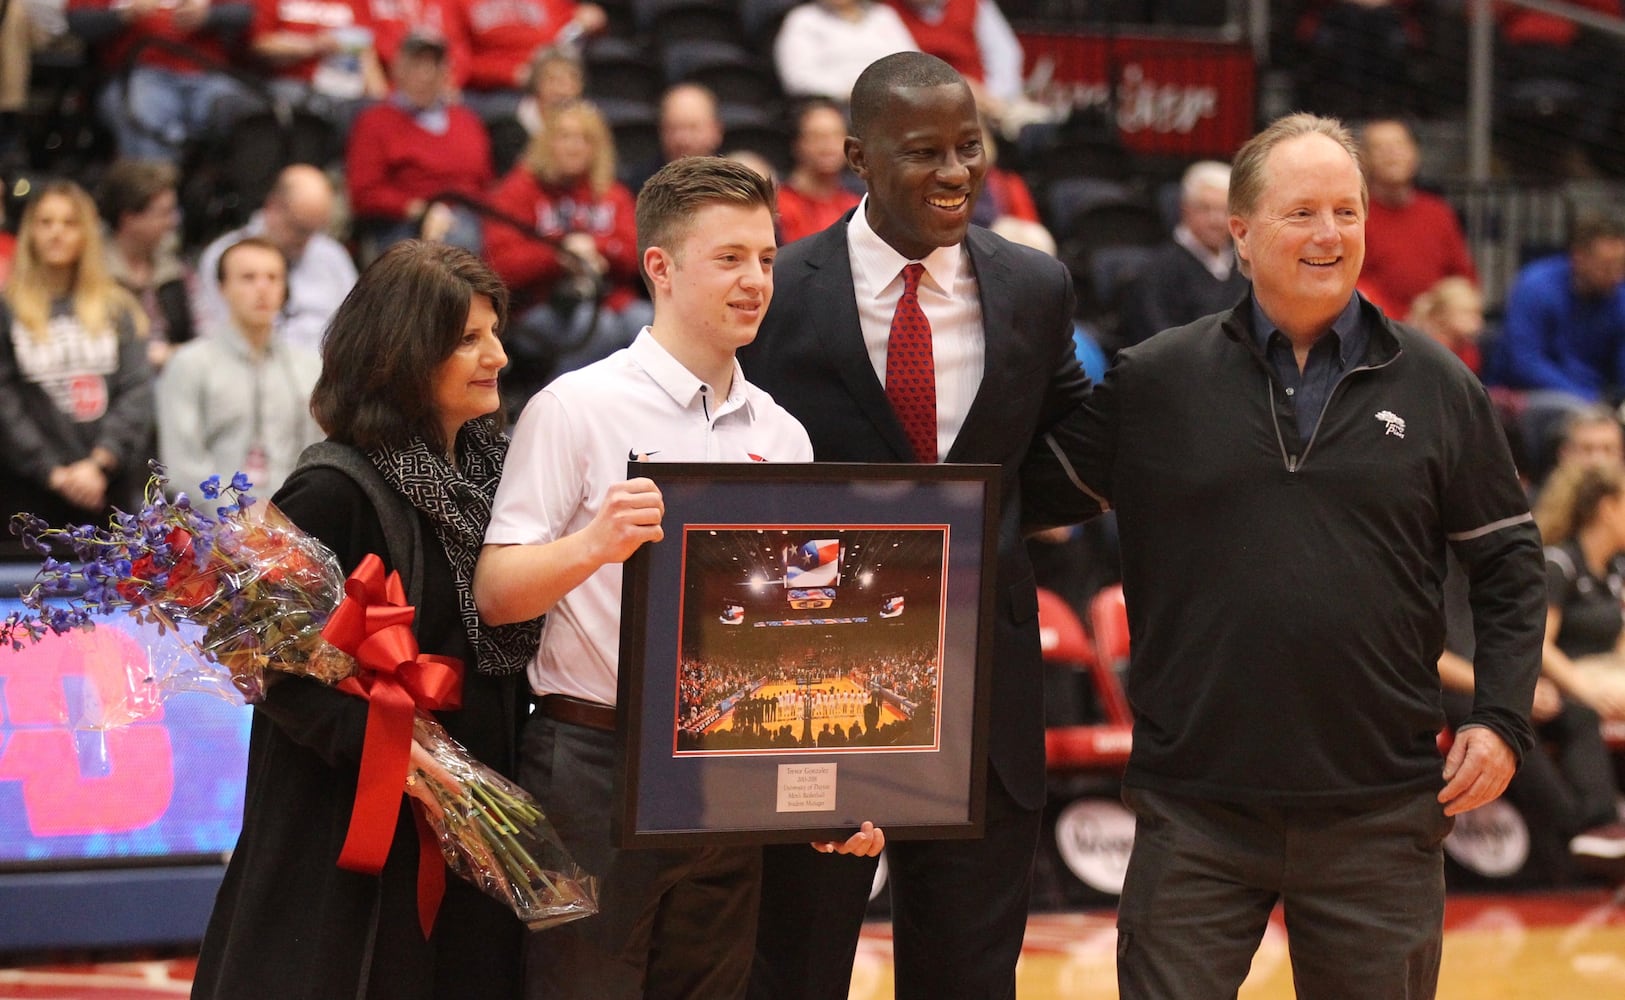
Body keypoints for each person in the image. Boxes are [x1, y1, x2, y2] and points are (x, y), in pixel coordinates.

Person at [1043, 112, 1545, 999]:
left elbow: (1507, 565)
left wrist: (1498, 716)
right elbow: (1024, 498)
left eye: (1346, 212)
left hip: (1380, 813)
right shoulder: (1157, 379)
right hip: (1194, 807)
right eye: (1301, 212)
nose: (1329, 235)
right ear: (1239, 231)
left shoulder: (1438, 386)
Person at [472, 156, 885, 1000]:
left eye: (766, 259)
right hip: (593, 756)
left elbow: (800, 630)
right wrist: (595, 544)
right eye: (729, 258)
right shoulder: (575, 406)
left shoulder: (783, 431)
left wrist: (837, 780)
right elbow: (496, 590)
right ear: (658, 266)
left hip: (724, 763)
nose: (756, 280)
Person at [738, 52, 1089, 1000]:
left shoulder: (1033, 287)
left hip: (985, 681)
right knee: (796, 963)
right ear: (856, 155)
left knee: (970, 972)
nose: (952, 172)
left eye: (968, 148)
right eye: (922, 151)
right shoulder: (778, 291)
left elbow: (1067, 450)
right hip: (816, 683)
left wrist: (990, 532)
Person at [192, 240, 545, 998]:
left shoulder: (497, 473)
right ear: (404, 355)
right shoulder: (329, 491)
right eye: (468, 340)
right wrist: (394, 753)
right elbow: (273, 668)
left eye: (494, 332)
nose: (498, 356)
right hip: (352, 821)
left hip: (477, 811)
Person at [0, 181, 154, 559]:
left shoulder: (119, 307)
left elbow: (137, 391)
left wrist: (99, 463)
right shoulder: (7, 309)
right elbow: (4, 399)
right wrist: (52, 471)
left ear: (87, 233)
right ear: (30, 232)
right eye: (46, 222)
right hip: (28, 491)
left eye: (69, 223)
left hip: (106, 486)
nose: (56, 232)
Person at [484, 99, 649, 411]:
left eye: (585, 139)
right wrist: (559, 256)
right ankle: (555, 412)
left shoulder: (611, 193)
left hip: (611, 300)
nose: (575, 147)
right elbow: (500, 264)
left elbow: (635, 254)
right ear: (548, 143)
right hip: (541, 305)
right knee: (598, 327)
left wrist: (597, 249)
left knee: (649, 323)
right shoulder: (519, 190)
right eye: (565, 137)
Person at [156, 237, 322, 499]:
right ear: (222, 287)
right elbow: (182, 467)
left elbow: (315, 456)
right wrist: (238, 518)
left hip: (292, 521)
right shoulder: (189, 364)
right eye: (248, 277)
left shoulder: (310, 368)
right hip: (212, 528)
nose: (262, 288)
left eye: (273, 277)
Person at [1487, 214, 1625, 478]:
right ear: (1579, 257)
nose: (1616, 275)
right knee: (1571, 411)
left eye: (1621, 265)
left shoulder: (1619, 297)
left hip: (1595, 396)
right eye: (1607, 265)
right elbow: (1523, 362)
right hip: (1524, 394)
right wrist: (1587, 398)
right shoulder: (1536, 285)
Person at [346, 31, 492, 254]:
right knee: (455, 241)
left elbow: (484, 183)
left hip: (471, 216)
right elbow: (364, 192)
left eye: (433, 64)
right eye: (416, 63)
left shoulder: (467, 120)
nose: (424, 74)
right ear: (398, 68)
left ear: (445, 71)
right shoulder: (375, 121)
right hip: (404, 224)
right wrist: (419, 209)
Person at [195, 164, 359, 354]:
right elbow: (213, 335)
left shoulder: (332, 256)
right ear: (272, 207)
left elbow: (355, 330)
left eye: (315, 230)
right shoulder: (225, 256)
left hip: (326, 373)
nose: (306, 241)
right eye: (300, 229)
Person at [65, 0, 254, 162]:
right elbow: (78, 22)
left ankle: (243, 201)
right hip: (138, 75)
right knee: (143, 112)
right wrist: (125, 15)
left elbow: (244, 12)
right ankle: (156, 199)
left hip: (206, 76)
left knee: (249, 114)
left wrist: (208, 16)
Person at [1116, 159, 1249, 348]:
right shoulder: (1156, 272)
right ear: (1185, 208)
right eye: (1205, 208)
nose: (1216, 221)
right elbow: (1156, 345)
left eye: (1224, 210)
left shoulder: (1246, 266)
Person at [1357, 118, 1479, 319]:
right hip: (1377, 329)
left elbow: (1464, 278)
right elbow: (1352, 285)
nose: (1392, 155)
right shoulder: (1354, 215)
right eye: (1380, 148)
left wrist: (1439, 308)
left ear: (1415, 154)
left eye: (1399, 145)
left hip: (1438, 329)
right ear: (1363, 159)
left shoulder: (1438, 212)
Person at [96, 158, 197, 369]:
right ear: (129, 218)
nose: (173, 222)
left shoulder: (177, 270)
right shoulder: (93, 272)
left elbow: (202, 335)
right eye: (164, 213)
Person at [772, 0, 917, 105]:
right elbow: (797, 79)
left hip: (889, 99)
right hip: (832, 104)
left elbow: (912, 61)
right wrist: (852, 91)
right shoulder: (803, 19)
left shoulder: (883, 15)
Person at [775, 98, 861, 245]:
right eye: (817, 136)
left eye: (836, 135)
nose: (828, 145)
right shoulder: (778, 204)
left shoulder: (856, 204)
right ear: (797, 143)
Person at [624, 82, 724, 193]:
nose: (682, 139)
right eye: (673, 128)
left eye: (693, 128)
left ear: (716, 130)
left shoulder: (734, 183)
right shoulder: (639, 185)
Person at [1406, 275, 1485, 376]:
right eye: (1467, 313)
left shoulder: (1470, 354)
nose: (1477, 321)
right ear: (1442, 315)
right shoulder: (1426, 352)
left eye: (1478, 313)